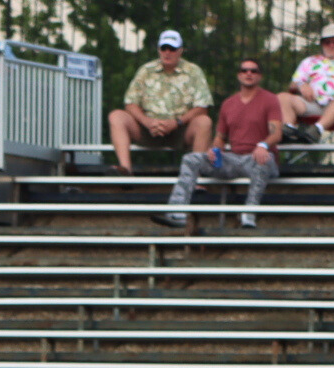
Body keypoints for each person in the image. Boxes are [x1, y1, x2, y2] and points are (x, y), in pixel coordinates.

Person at [159, 58, 284, 233]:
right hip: (233, 158)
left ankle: (249, 214)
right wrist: (214, 150)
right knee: (191, 159)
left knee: (263, 158)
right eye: (244, 70)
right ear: (239, 75)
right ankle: (176, 213)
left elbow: (276, 133)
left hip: (259, 158)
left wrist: (263, 145)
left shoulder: (270, 100)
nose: (248, 73)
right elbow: (220, 137)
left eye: (253, 71)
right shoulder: (228, 104)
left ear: (260, 76)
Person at [111, 30, 213, 173]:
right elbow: (130, 103)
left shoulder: (193, 71)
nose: (167, 52)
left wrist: (176, 122)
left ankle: (197, 178)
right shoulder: (146, 70)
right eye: (164, 48)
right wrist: (146, 121)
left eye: (172, 49)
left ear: (180, 51)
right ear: (159, 50)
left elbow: (202, 107)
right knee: (116, 116)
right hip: (148, 129)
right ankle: (125, 170)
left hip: (180, 130)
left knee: (204, 122)